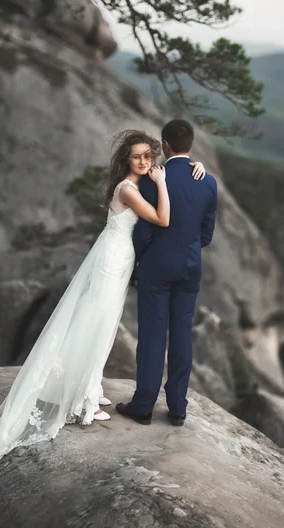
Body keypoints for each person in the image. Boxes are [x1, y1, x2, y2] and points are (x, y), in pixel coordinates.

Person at [0, 128, 205, 486]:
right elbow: (164, 219)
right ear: (127, 159)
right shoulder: (128, 188)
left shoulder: (133, 183)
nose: (144, 162)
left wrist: (190, 165)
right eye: (137, 156)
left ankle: (86, 390)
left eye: (148, 156)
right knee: (96, 323)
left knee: (103, 324)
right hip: (112, 261)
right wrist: (164, 182)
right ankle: (82, 401)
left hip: (118, 259)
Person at [116, 119, 218, 427]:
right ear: (190, 145)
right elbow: (207, 234)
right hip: (189, 267)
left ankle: (144, 405)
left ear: (167, 146)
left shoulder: (151, 180)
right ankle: (177, 408)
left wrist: (142, 261)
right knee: (182, 336)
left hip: (157, 268)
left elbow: (143, 233)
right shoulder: (207, 181)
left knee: (151, 336)